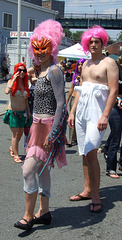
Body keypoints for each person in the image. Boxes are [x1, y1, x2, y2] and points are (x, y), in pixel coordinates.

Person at [14, 19, 67, 231]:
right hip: (36, 125)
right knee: (43, 171)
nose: (40, 51)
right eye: (36, 48)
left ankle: (28, 216)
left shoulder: (54, 71)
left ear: (52, 47)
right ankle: (44, 213)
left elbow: (61, 103)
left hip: (47, 126)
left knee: (28, 170)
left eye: (44, 47)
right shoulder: (40, 72)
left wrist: (53, 133)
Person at [68, 25, 118, 213]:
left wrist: (105, 114)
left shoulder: (109, 63)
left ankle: (96, 196)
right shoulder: (85, 64)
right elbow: (79, 90)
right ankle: (88, 190)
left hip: (97, 113)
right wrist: (72, 111)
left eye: (97, 41)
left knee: (90, 151)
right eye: (91, 41)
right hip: (81, 112)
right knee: (83, 151)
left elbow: (113, 91)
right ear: (86, 43)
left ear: (103, 43)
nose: (94, 44)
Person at [3, 63, 31, 163]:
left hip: (22, 113)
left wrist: (28, 112)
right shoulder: (11, 82)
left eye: (24, 70)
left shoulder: (25, 84)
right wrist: (13, 79)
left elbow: (26, 100)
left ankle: (12, 147)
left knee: (20, 133)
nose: (22, 72)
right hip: (13, 113)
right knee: (15, 134)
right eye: (19, 70)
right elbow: (7, 91)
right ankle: (16, 155)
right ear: (16, 71)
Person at [104, 58, 122, 178]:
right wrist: (118, 98)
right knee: (116, 137)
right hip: (116, 107)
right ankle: (111, 168)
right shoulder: (115, 68)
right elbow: (109, 88)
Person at [66, 58, 86, 147]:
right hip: (74, 99)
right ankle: (71, 139)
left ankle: (80, 137)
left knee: (81, 119)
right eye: (79, 64)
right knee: (72, 118)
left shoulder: (87, 75)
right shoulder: (75, 75)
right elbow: (71, 89)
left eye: (82, 64)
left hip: (83, 100)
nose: (80, 66)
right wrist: (66, 100)